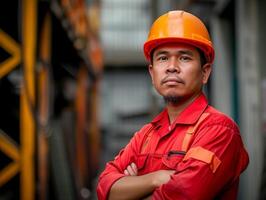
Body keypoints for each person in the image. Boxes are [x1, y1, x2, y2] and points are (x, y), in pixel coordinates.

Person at [97, 10, 249, 200]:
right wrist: (156, 179)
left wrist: (132, 188)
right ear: (152, 73)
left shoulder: (219, 131)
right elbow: (104, 187)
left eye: (184, 57)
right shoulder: (146, 136)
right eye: (162, 58)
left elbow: (184, 194)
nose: (172, 66)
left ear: (205, 72)